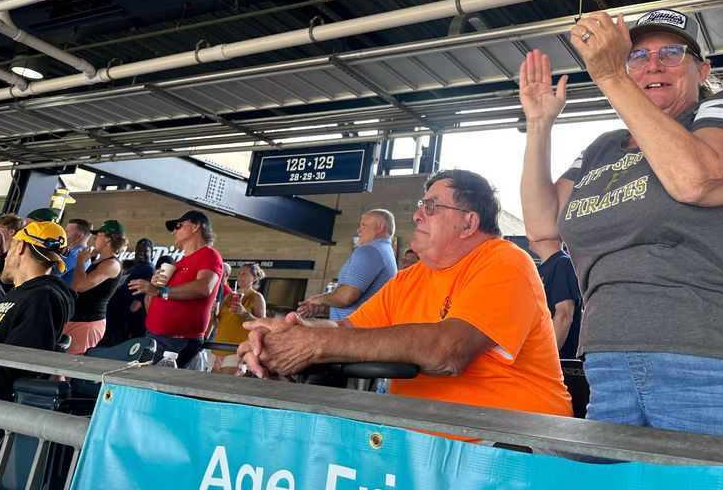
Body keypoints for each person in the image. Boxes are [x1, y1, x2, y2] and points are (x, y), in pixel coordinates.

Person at [519, 9, 723, 442]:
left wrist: (610, 76)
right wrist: (540, 124)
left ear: (702, 69)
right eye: (636, 57)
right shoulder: (603, 148)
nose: (653, 65)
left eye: (671, 53)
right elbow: (543, 227)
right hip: (611, 365)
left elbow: (697, 181)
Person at [239, 170, 572, 419]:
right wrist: (279, 334)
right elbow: (345, 331)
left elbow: (447, 352)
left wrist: (312, 345)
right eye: (419, 205)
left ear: (469, 223)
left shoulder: (505, 260)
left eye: (431, 206)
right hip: (421, 442)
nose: (416, 215)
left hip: (510, 445)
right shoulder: (408, 279)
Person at [0, 221, 75, 401]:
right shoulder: (21, 293)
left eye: (11, 247)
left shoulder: (43, 298)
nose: (6, 257)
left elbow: (16, 369)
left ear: (20, 246)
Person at [129, 210, 223, 369]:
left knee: (150, 385)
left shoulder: (209, 255)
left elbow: (204, 287)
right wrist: (152, 289)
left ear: (195, 226)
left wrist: (160, 291)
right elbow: (151, 309)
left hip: (177, 341)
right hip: (154, 336)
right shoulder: (179, 264)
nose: (173, 231)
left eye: (178, 226)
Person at [297, 210, 397, 320]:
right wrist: (325, 308)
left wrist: (316, 299)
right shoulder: (385, 252)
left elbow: (345, 297)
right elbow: (363, 303)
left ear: (380, 228)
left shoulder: (370, 251)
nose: (359, 230)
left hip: (354, 333)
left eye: (363, 225)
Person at [63, 220, 126, 354]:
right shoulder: (98, 261)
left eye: (99, 235)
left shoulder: (111, 264)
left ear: (109, 239)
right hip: (76, 318)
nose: (95, 238)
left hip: (88, 322)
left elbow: (80, 286)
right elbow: (74, 287)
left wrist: (79, 262)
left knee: (69, 366)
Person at [211, 263, 266, 374]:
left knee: (224, 385)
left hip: (237, 349)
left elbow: (262, 325)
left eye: (244, 274)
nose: (240, 276)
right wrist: (212, 311)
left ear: (254, 278)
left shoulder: (256, 297)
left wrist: (244, 313)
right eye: (239, 274)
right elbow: (218, 323)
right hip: (218, 347)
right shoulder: (229, 295)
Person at [531, 240, 581, 359]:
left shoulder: (563, 263)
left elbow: (564, 315)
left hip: (560, 360)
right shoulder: (539, 269)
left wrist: (544, 358)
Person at [101, 238, 155, 347]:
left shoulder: (148, 270)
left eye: (145, 250)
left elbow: (135, 305)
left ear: (152, 254)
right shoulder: (135, 267)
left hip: (121, 324)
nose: (141, 252)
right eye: (138, 250)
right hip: (113, 320)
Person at [59, 218, 93, 282]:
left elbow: (48, 274)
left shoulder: (75, 254)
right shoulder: (83, 252)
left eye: (68, 231)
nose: (64, 234)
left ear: (79, 237)